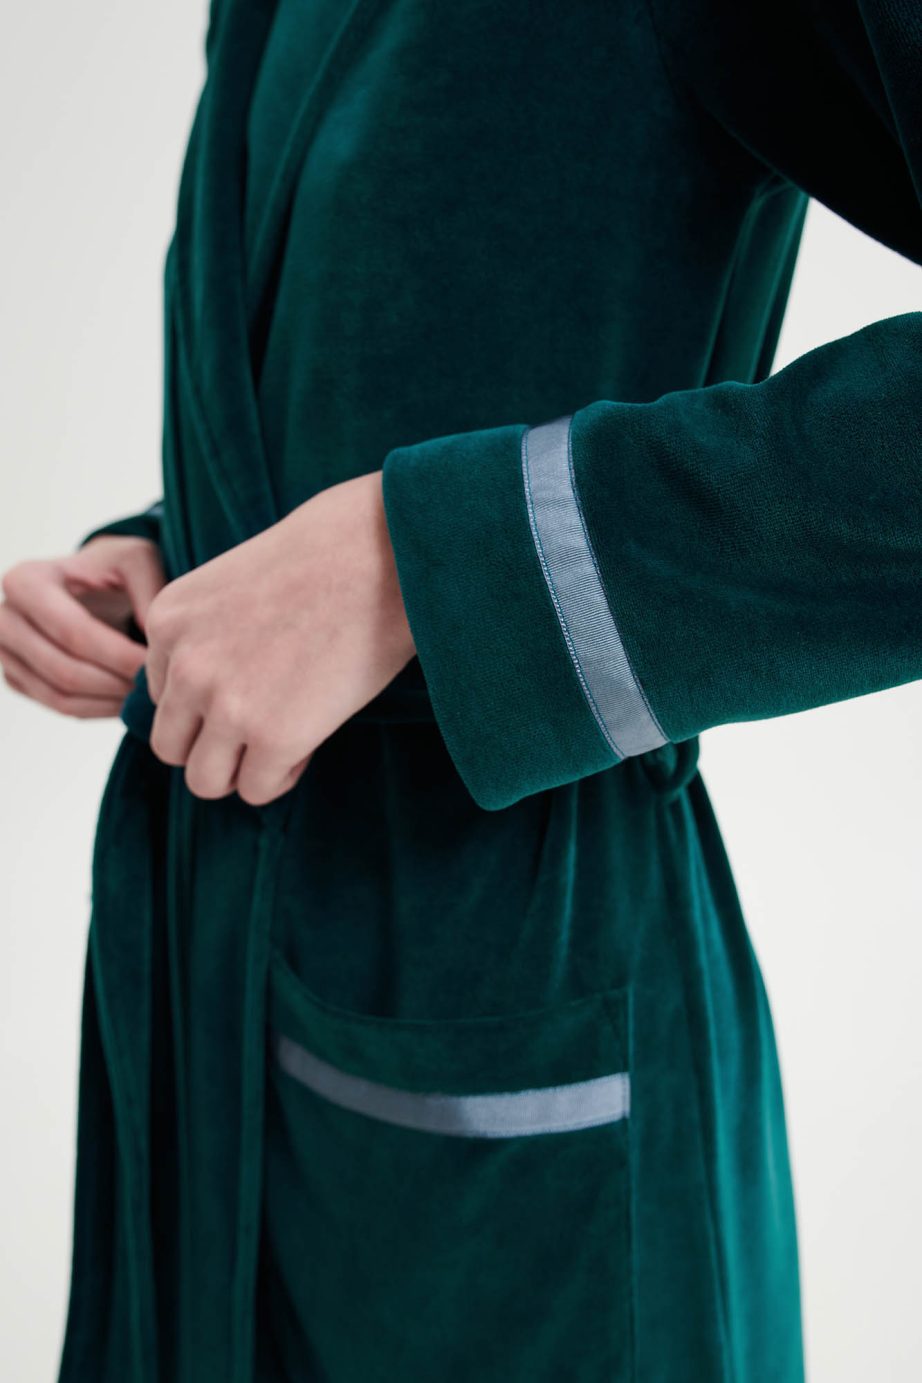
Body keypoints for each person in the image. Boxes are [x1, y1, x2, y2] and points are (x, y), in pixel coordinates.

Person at [2, 1, 920, 1379]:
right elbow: (394, 320)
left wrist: (423, 563)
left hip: (504, 980)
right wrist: (194, 567)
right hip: (213, 965)